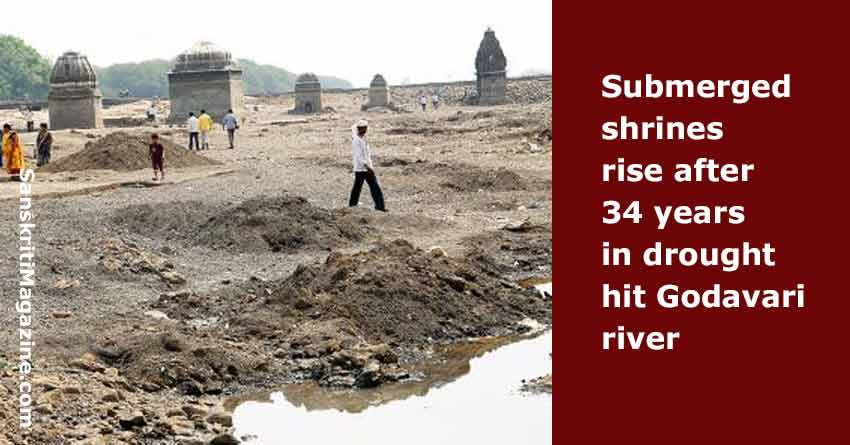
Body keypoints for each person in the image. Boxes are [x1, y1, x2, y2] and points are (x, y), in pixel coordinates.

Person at [348, 119, 386, 212]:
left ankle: (353, 204)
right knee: (374, 187)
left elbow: (366, 154)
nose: (365, 130)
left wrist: (369, 165)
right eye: (363, 128)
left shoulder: (363, 139)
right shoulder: (356, 141)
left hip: (364, 168)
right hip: (362, 168)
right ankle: (380, 206)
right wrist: (367, 166)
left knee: (358, 187)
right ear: (359, 129)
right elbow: (359, 156)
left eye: (365, 128)